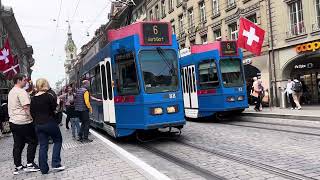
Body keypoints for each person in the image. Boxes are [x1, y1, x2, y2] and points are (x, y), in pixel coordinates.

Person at [30, 78, 65, 174]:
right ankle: (56, 164)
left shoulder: (32, 99)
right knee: (58, 140)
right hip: (49, 123)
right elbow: (55, 109)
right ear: (45, 84)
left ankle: (44, 169)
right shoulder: (48, 96)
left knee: (43, 146)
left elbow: (32, 113)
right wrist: (57, 101)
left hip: (38, 125)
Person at [8, 73, 40, 175]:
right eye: (24, 80)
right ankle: (30, 164)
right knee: (33, 141)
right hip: (24, 122)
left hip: (13, 122)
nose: (26, 82)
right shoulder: (21, 92)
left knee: (18, 144)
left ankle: (18, 166)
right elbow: (26, 108)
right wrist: (32, 119)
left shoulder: (11, 92)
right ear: (19, 80)